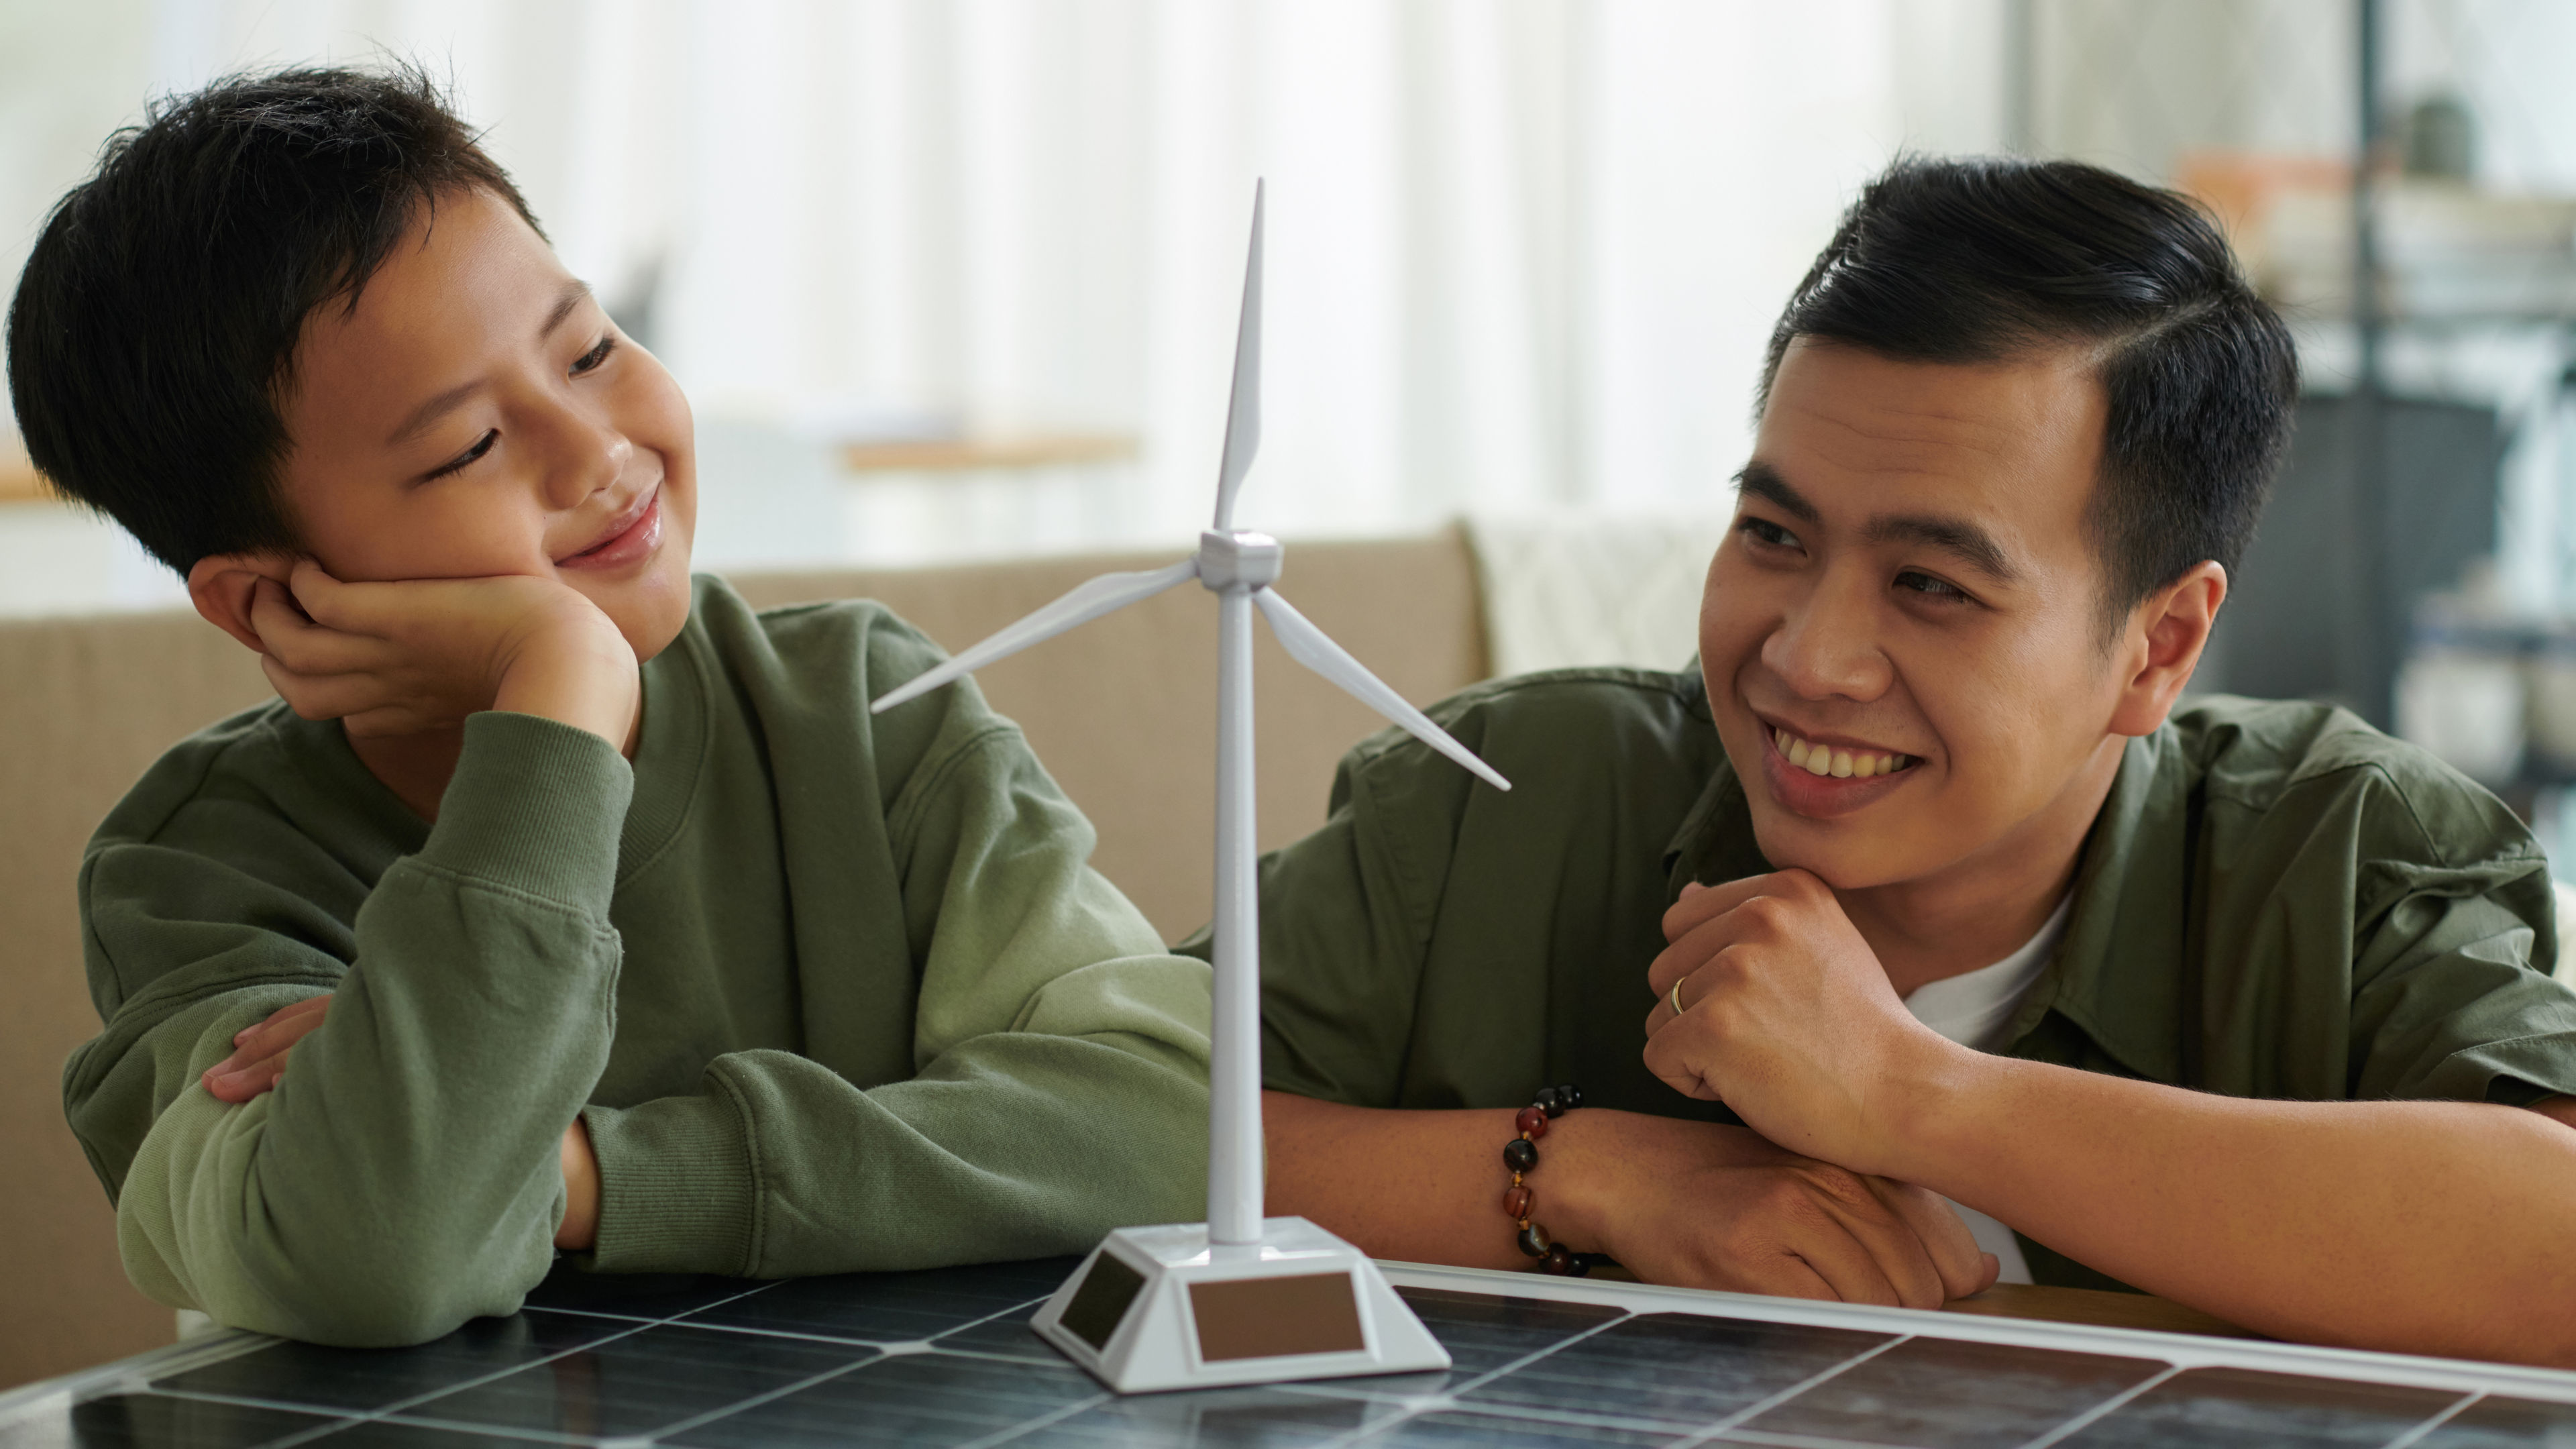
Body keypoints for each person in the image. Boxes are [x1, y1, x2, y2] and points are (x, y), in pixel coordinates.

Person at [1222, 156, 2576, 1366]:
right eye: (1775, 536)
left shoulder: (2346, 853)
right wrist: (1583, 1173)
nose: (1811, 659)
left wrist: (1913, 1096)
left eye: (1931, 585)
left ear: (2159, 647)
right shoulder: (1505, 796)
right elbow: (1090, 1124)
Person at [8, 66, 1211, 1348]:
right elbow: (378, 1253)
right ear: (265, 603)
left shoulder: (867, 712)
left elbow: (1174, 1120)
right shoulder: (198, 869)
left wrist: (588, 1177)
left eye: (587, 350)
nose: (596, 452)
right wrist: (561, 691)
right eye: (469, 447)